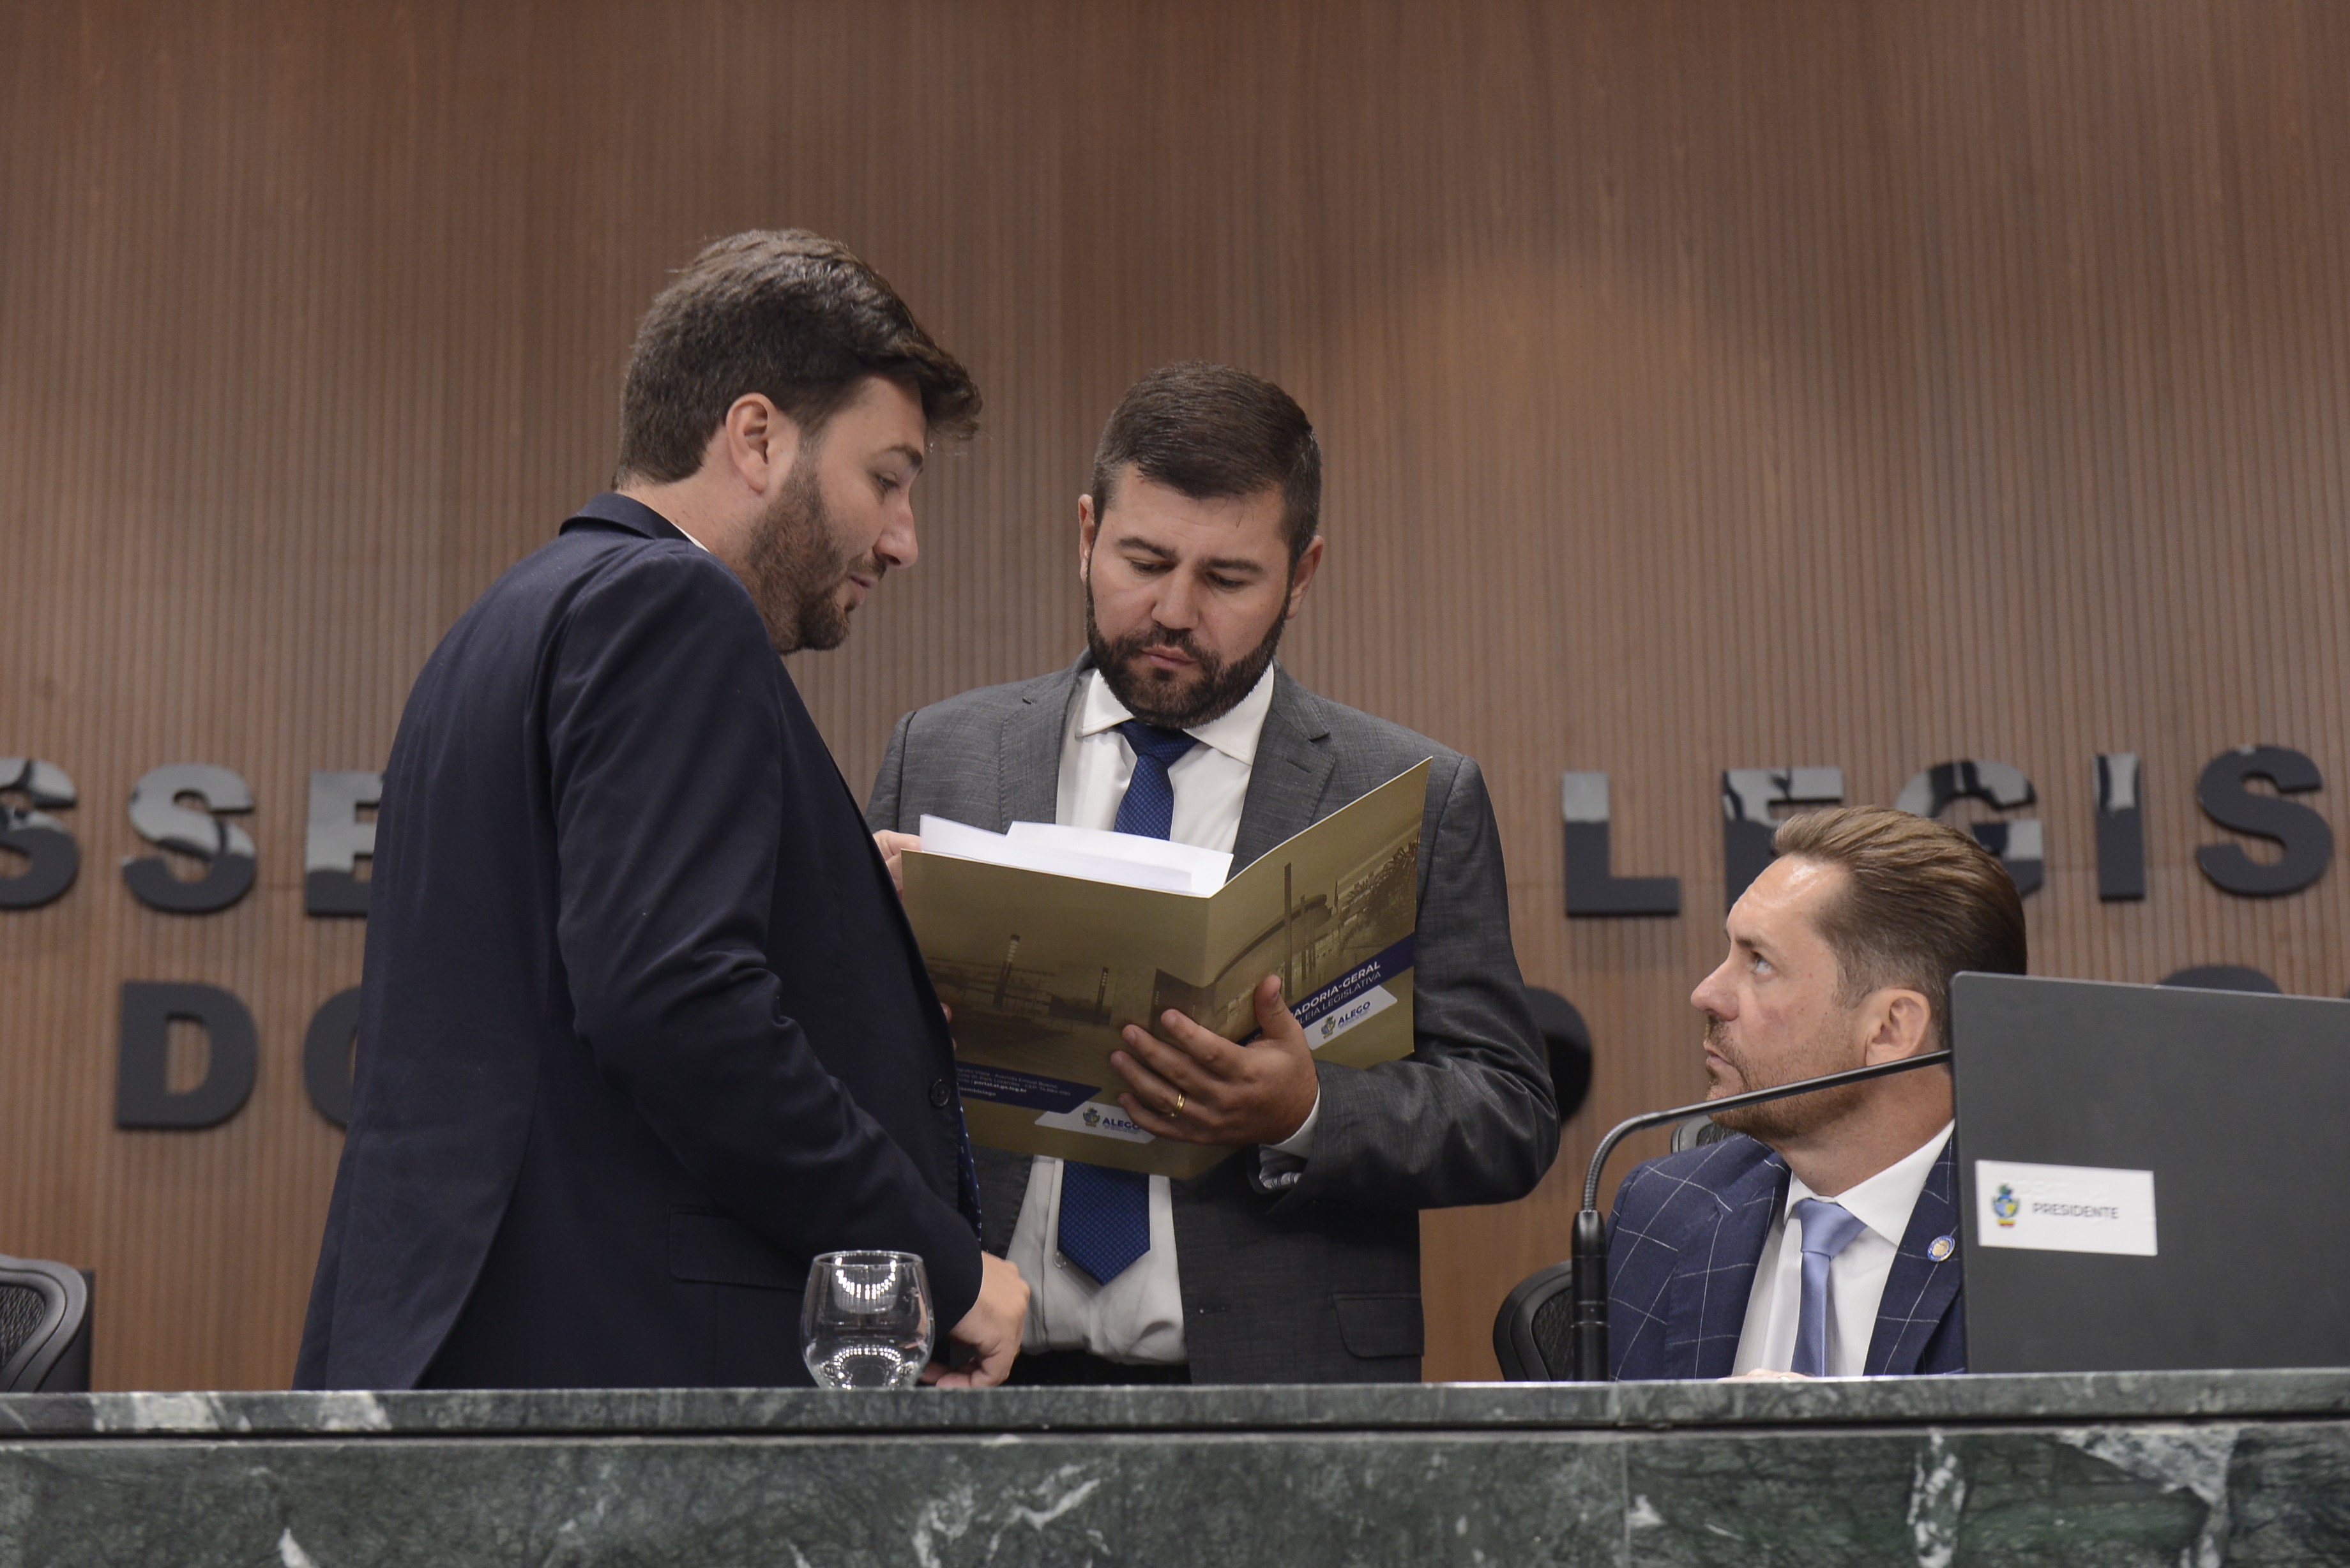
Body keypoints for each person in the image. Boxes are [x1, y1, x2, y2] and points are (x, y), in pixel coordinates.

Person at [296, 230, 1029, 1391]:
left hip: (478, 1362)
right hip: (627, 1383)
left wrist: (843, 923)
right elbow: (677, 1005)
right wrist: (940, 1264)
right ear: (757, 437)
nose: (903, 539)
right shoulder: (674, 605)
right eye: (887, 479)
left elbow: (576, 979)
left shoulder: (509, 622)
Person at [866, 362, 1556, 1383]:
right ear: (1087, 533)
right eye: (1144, 561)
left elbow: (1508, 1111)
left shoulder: (1409, 793)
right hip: (973, 1372)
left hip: (1277, 1389)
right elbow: (836, 1070)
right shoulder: (941, 754)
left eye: (1228, 580)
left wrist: (1306, 1112)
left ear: (1302, 575)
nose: (1174, 611)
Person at [1605, 804, 2027, 1380]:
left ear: (1890, 1028)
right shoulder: (1662, 1214)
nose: (1707, 994)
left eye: (1759, 963)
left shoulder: (2037, 1238)